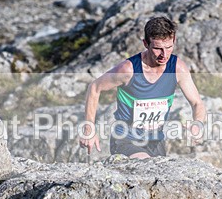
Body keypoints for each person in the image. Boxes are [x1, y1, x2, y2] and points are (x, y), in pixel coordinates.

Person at [80, 15, 205, 158]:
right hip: (125, 139)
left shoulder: (177, 68)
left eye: (169, 47)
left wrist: (198, 124)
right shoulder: (128, 70)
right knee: (144, 165)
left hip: (156, 141)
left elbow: (197, 103)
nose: (164, 55)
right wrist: (89, 127)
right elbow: (95, 87)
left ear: (174, 41)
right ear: (146, 43)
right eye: (158, 49)